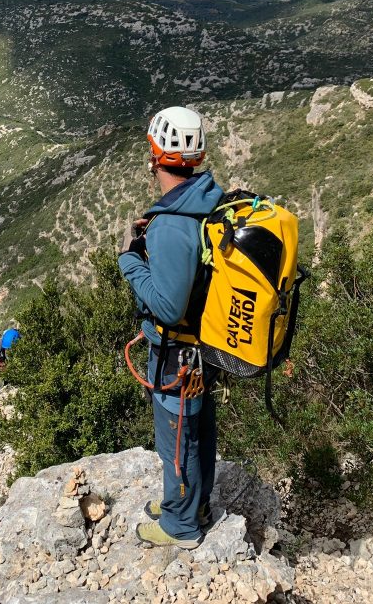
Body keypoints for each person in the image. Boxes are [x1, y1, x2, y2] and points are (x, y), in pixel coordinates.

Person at [118, 106, 224, 549]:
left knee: (176, 436)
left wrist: (129, 259)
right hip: (205, 344)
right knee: (197, 429)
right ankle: (193, 502)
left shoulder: (172, 225)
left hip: (176, 355)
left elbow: (166, 304)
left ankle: (180, 525)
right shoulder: (207, 200)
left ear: (156, 154)